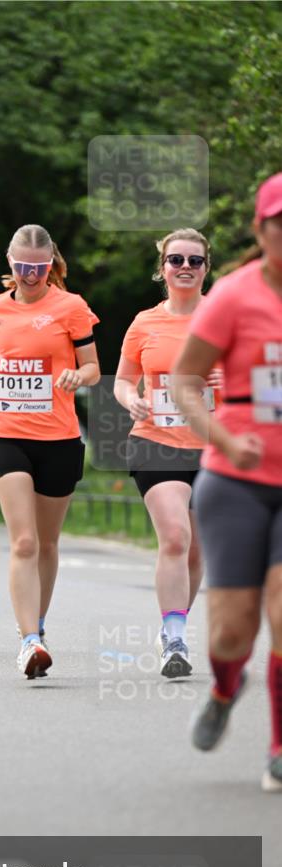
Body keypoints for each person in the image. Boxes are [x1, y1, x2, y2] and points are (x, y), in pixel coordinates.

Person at [172, 172, 282, 792]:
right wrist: (219, 437)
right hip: (236, 480)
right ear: (261, 229)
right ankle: (223, 687)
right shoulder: (235, 297)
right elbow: (185, 382)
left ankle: (279, 746)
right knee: (232, 630)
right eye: (280, 222)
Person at [0, 224, 100, 678]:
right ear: (9, 262)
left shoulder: (71, 307)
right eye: (21, 267)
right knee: (23, 541)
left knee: (47, 542)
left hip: (59, 438)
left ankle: (39, 625)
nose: (29, 275)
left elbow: (94, 367)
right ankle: (28, 641)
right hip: (8, 435)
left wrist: (76, 378)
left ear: (50, 265)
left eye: (38, 268)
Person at [114, 229, 221, 678]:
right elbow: (122, 379)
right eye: (176, 259)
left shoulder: (224, 318)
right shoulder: (145, 322)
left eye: (194, 261)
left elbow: (261, 378)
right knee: (175, 536)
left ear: (205, 269)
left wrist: (228, 387)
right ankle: (175, 638)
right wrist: (130, 400)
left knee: (196, 553)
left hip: (213, 446)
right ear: (163, 268)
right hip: (155, 441)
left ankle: (173, 624)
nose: (185, 267)